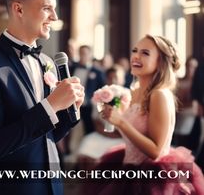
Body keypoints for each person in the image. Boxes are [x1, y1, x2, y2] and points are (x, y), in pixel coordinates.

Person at [0, 0, 85, 195]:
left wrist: (68, 109)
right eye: (47, 8)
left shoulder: (47, 62)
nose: (55, 16)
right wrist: (50, 106)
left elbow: (43, 137)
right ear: (18, 9)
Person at [85, 35, 204, 195]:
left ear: (160, 61)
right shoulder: (133, 93)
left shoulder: (159, 95)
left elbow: (156, 151)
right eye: (135, 51)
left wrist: (120, 122)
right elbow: (131, 132)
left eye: (145, 53)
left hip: (151, 179)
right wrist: (112, 114)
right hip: (128, 168)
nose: (136, 56)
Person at [71, 45, 105, 134]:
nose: (83, 56)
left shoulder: (98, 72)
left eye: (85, 53)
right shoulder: (72, 68)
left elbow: (101, 88)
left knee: (89, 130)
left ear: (90, 55)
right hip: (72, 104)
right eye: (81, 53)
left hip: (88, 106)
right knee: (71, 130)